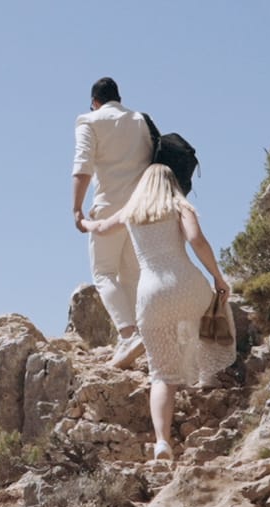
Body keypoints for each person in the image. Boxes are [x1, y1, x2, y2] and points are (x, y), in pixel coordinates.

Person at [81, 163, 236, 460]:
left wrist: (83, 222)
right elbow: (196, 240)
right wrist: (217, 276)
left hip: (151, 293)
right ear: (172, 183)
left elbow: (100, 228)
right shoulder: (180, 205)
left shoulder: (131, 212)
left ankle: (163, 442)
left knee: (162, 375)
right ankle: (206, 376)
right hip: (187, 283)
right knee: (212, 314)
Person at [73, 77, 156, 369]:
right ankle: (140, 338)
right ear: (118, 98)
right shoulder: (140, 120)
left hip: (108, 209)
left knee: (104, 274)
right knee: (132, 274)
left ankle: (127, 332)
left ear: (95, 102)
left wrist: (76, 208)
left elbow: (82, 166)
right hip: (141, 210)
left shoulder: (90, 121)